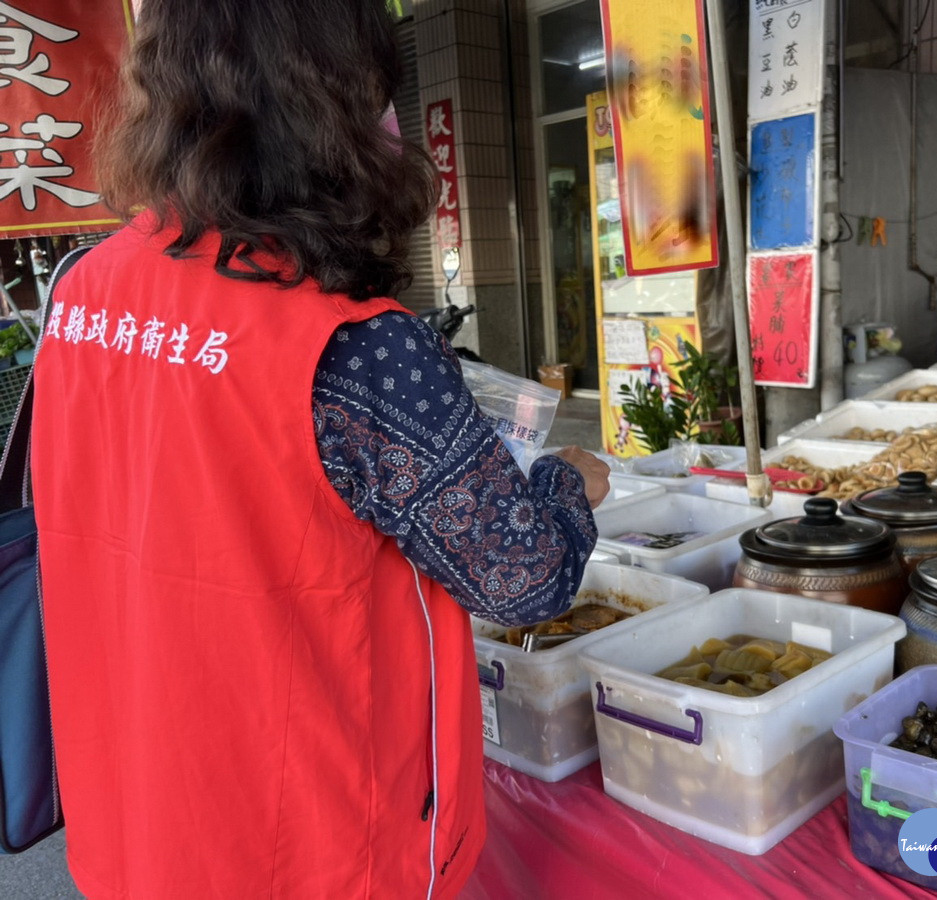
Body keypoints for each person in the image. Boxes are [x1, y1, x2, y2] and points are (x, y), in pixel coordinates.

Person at [30, 2, 609, 898]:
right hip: (310, 837)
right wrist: (569, 484)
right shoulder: (354, 345)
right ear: (337, 103)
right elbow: (522, 578)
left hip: (138, 808)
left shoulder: (83, 292)